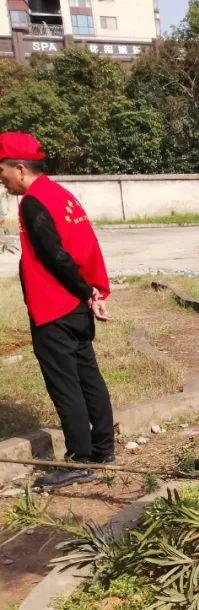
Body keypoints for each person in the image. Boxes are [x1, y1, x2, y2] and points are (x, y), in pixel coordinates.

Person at [0, 132, 114, 490]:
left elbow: (56, 256)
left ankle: (80, 460)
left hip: (55, 308)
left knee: (66, 385)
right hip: (77, 307)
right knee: (88, 377)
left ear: (20, 168)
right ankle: (104, 450)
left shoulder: (34, 202)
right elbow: (86, 247)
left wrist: (84, 290)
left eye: (2, 170)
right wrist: (93, 293)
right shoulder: (61, 195)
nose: (1, 179)